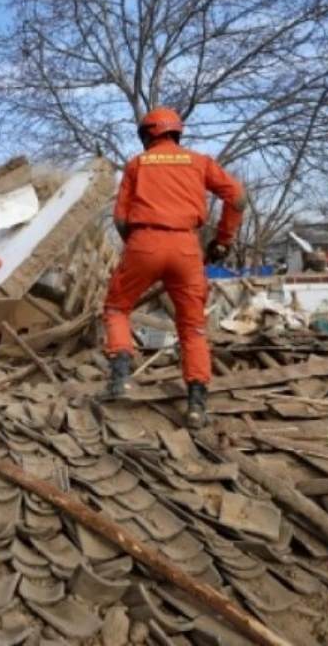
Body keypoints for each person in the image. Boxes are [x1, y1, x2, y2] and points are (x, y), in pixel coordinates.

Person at [100, 107, 247, 428]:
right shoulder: (199, 162)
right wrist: (223, 240)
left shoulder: (137, 164)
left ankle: (121, 379)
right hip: (186, 247)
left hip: (144, 241)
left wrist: (139, 248)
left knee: (116, 308)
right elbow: (236, 197)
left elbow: (121, 219)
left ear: (148, 133)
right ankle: (196, 405)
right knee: (192, 327)